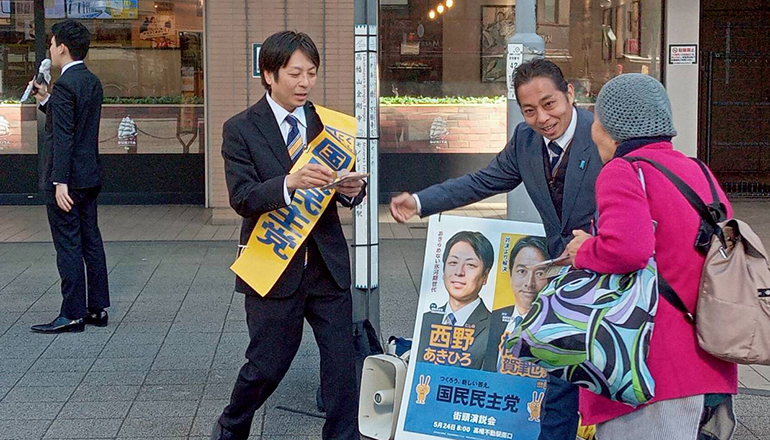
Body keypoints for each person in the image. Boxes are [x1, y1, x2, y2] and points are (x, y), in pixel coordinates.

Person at [390, 58, 603, 440]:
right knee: (560, 376)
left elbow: (633, 198)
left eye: (550, 104)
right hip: (563, 281)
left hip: (608, 277)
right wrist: (421, 202)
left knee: (612, 374)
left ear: (570, 93)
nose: (542, 117)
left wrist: (597, 239)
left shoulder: (601, 133)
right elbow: (481, 182)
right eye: (530, 110)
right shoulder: (524, 141)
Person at [211, 31, 366, 440]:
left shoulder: (328, 125)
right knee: (267, 363)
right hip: (273, 262)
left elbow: (345, 185)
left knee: (341, 360)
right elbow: (242, 197)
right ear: (269, 74)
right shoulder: (240, 129)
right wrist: (290, 182)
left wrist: (352, 191)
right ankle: (232, 425)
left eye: (311, 73)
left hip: (327, 264)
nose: (304, 83)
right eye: (295, 73)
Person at [566, 73, 738, 440]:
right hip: (711, 363)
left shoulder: (623, 171)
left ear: (611, 129)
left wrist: (583, 250)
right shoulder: (699, 171)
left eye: (596, 119)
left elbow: (627, 249)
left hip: (651, 368)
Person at [30, 20, 109, 334]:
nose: (50, 48)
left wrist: (59, 180)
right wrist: (45, 100)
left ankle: (72, 313)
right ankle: (96, 309)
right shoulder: (91, 81)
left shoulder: (65, 84)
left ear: (62, 47)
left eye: (51, 43)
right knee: (91, 241)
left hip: (66, 180)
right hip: (89, 176)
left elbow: (63, 136)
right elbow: (75, 124)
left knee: (68, 246)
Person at [417, 231, 494, 370]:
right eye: (453, 262)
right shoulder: (426, 319)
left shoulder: (494, 328)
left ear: (485, 275)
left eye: (470, 265)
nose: (459, 272)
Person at [483, 235, 549, 372]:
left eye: (540, 273)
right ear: (511, 274)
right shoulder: (490, 319)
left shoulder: (557, 328)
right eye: (522, 271)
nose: (529, 283)